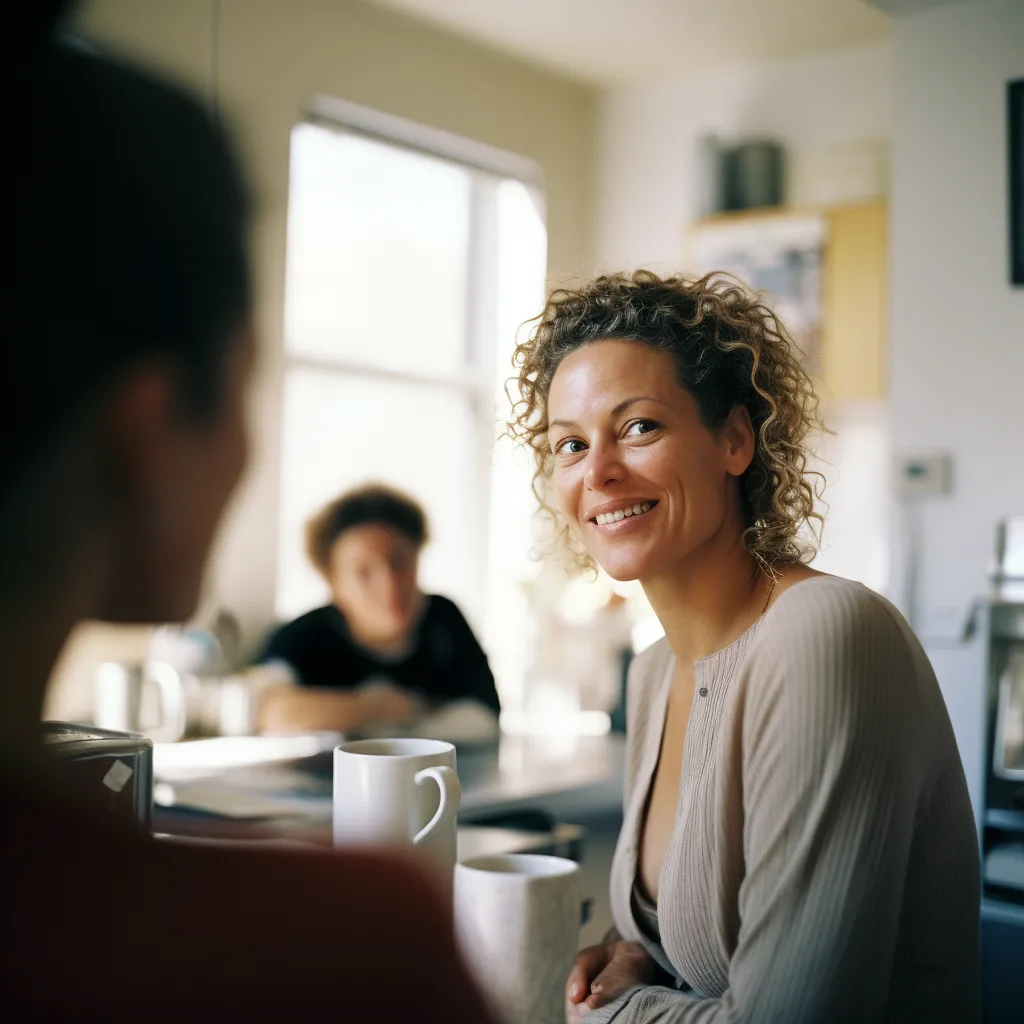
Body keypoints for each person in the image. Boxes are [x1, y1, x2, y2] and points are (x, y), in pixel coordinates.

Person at [1, 6, 493, 1019]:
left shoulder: (446, 622)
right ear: (145, 433)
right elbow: (269, 704)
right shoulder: (340, 950)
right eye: (242, 387)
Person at [508, 270, 981, 1023]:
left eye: (638, 427)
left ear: (734, 441)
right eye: (570, 444)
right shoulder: (654, 671)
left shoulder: (825, 632)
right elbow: (688, 943)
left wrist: (607, 1015)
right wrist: (635, 952)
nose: (597, 471)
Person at [256, 485, 501, 735]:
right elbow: (270, 712)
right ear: (334, 581)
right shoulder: (302, 635)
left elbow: (486, 716)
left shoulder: (444, 619)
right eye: (364, 571)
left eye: (399, 562)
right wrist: (387, 708)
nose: (389, 585)